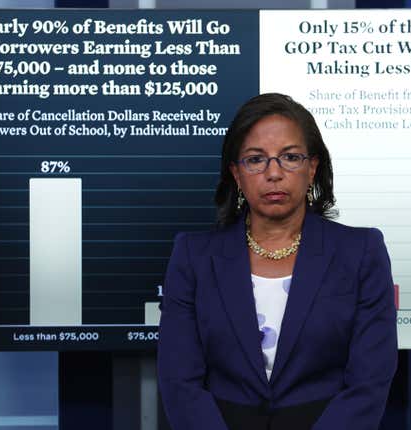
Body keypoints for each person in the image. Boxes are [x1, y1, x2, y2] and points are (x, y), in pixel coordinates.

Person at [158, 93, 397, 430]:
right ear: (236, 174)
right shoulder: (193, 256)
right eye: (256, 159)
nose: (274, 173)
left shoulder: (361, 251)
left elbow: (369, 381)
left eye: (290, 157)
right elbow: (179, 381)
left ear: (312, 167)